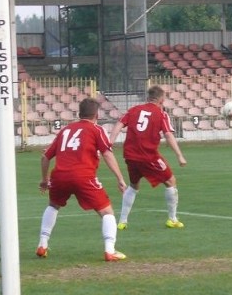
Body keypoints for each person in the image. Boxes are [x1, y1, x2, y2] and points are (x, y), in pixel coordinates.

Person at [36, 97, 128, 261]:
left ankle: (42, 244)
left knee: (53, 205)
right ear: (96, 114)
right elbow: (107, 153)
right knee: (107, 212)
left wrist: (44, 180)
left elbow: (45, 157)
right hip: (83, 176)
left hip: (59, 176)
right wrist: (120, 178)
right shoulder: (96, 130)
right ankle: (110, 250)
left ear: (79, 113)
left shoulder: (66, 130)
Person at [109, 85, 187, 230]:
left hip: (130, 155)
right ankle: (172, 219)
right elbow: (168, 134)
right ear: (161, 99)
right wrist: (179, 156)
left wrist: (110, 143)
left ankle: (122, 221)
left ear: (148, 98)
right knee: (171, 181)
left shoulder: (133, 110)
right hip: (148, 156)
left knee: (133, 186)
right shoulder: (161, 114)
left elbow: (119, 124)